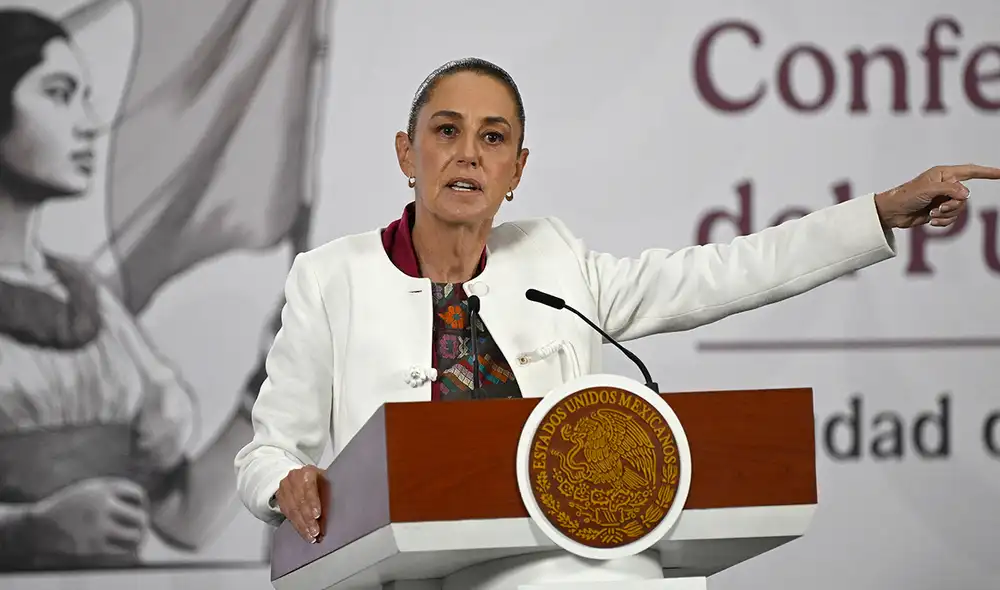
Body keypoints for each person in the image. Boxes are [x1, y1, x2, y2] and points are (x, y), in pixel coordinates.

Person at [235, 56, 997, 551]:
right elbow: (267, 451)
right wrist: (284, 481)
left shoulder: (556, 261)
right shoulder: (330, 277)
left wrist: (877, 213)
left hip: (550, 564)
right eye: (446, 131)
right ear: (408, 154)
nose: (468, 153)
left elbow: (727, 271)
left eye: (493, 138)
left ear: (517, 168)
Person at [0, 8, 254, 570]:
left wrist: (270, 380)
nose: (90, 122)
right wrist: (27, 530)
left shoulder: (92, 306)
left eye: (86, 96)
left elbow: (184, 518)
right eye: (59, 93)